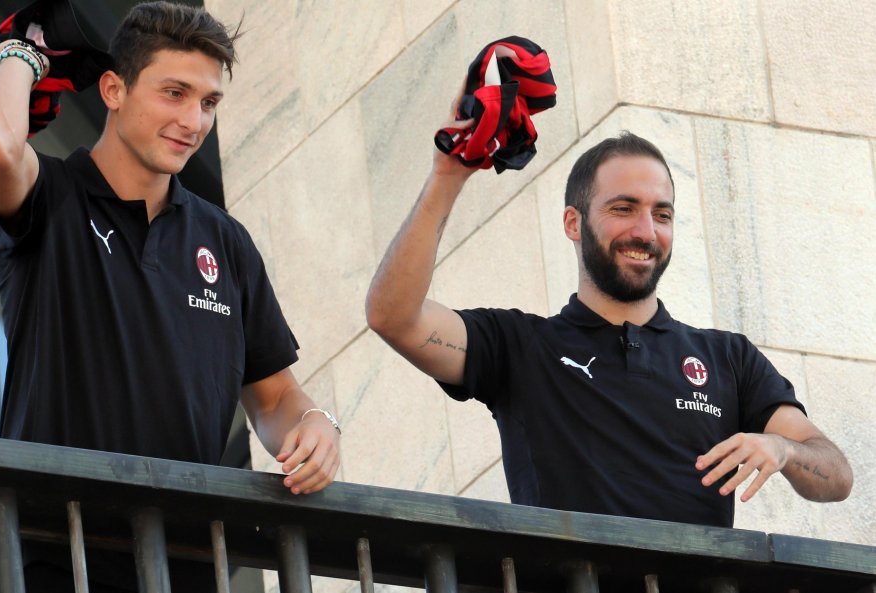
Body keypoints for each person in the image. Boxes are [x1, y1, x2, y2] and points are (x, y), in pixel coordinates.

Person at [0, 2, 341, 591]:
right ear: (112, 88)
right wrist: (22, 52)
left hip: (182, 566)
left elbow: (274, 395)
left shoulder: (224, 240)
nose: (194, 119)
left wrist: (315, 424)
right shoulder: (52, 197)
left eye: (208, 102)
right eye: (174, 93)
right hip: (44, 560)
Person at [365, 102, 852, 527]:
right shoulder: (519, 346)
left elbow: (835, 475)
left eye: (661, 214)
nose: (646, 231)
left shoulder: (727, 357)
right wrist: (448, 176)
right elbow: (394, 317)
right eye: (624, 208)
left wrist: (783, 451)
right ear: (572, 223)